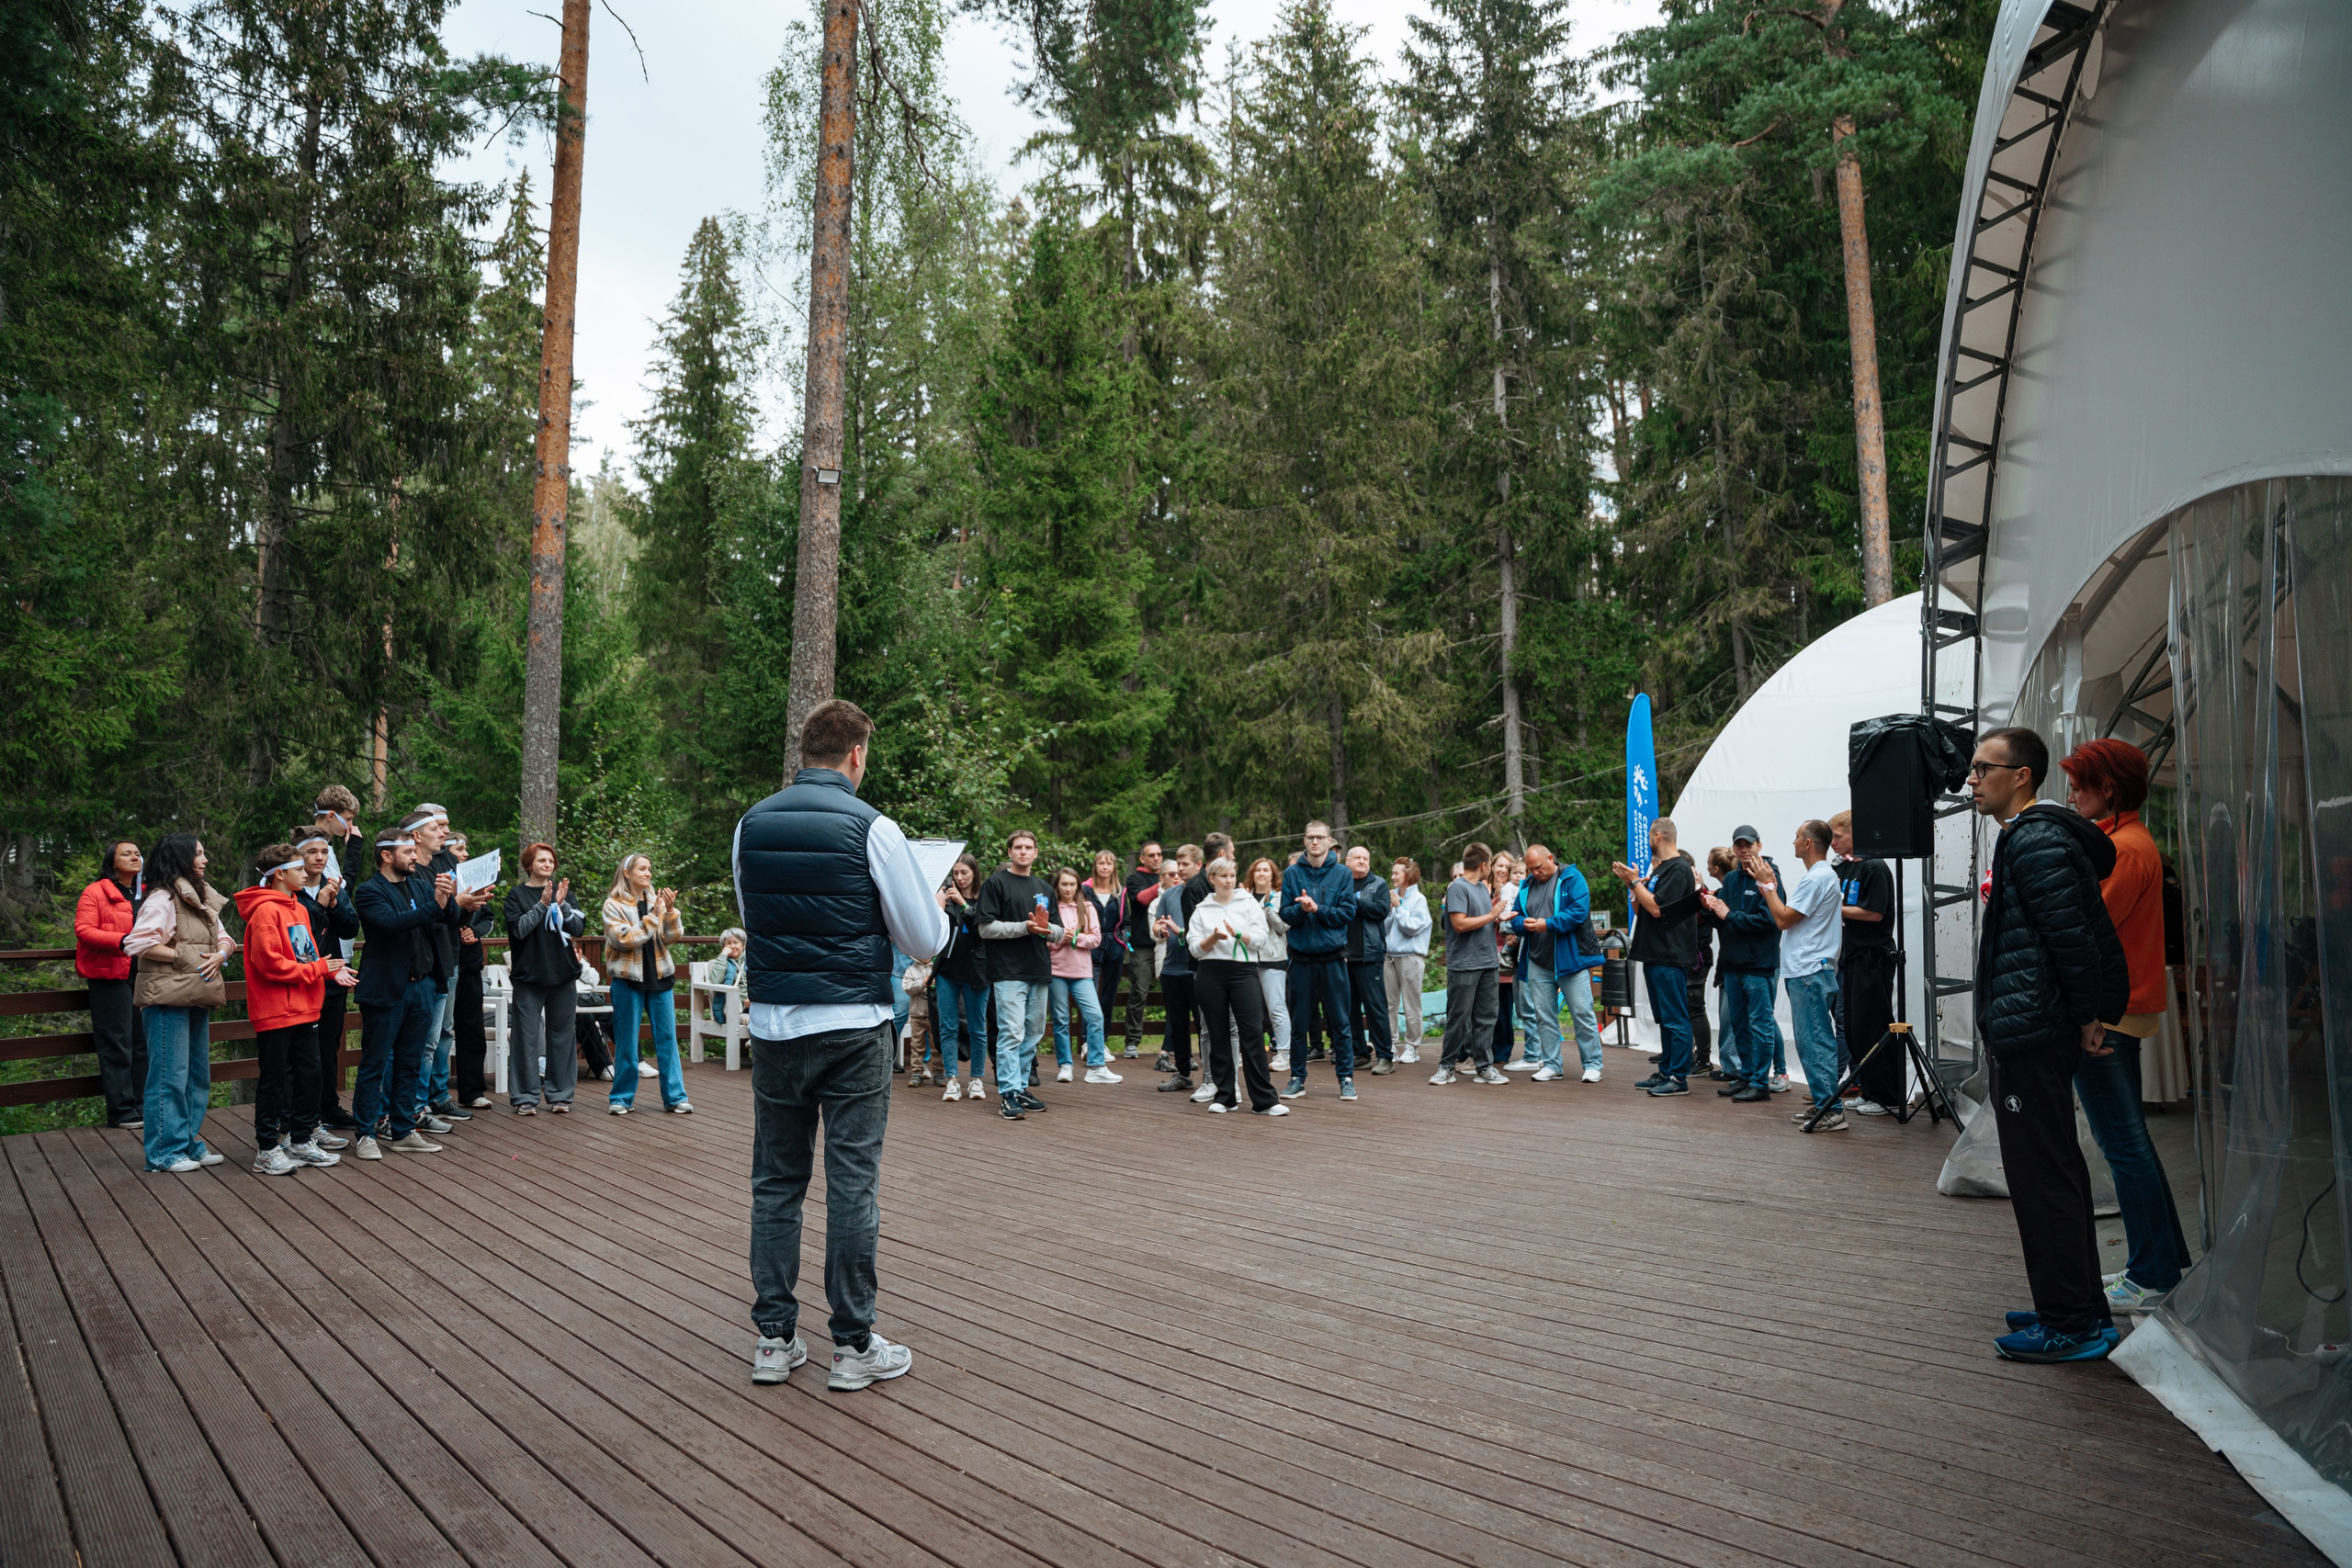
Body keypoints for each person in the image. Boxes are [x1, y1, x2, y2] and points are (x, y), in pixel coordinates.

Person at [733, 697, 947, 1391]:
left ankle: (773, 1338)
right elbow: (923, 939)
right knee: (853, 1184)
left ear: (805, 750)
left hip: (773, 1025)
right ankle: (853, 1345)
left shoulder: (751, 824)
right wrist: (933, 905)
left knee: (776, 1181)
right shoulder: (874, 827)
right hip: (853, 1024)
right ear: (857, 755)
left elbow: (753, 915)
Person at [1970, 725, 2130, 1363]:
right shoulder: (2031, 839)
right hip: (2034, 1027)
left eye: (1985, 768)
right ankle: (2077, 1305)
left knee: (2043, 1178)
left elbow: (2072, 939)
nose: (1973, 780)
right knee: (2052, 1172)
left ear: (2022, 776)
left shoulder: (2035, 841)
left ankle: (2071, 1322)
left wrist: (2090, 1014)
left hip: (2034, 1032)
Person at [2061, 738, 2192, 1316]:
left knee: (2125, 1145)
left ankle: (2151, 1274)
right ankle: (2160, 1266)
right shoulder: (2126, 842)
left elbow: (2084, 927)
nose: (2070, 794)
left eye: (2078, 783)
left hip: (2107, 1015)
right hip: (2116, 1011)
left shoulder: (2126, 849)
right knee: (2130, 1143)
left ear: (2107, 788)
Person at [234, 842, 355, 1173]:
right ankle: (267, 1148)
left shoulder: (299, 909)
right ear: (280, 875)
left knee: (310, 1075)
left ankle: (301, 1140)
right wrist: (318, 970)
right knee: (274, 1080)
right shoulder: (264, 912)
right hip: (275, 1009)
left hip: (306, 1007)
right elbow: (268, 963)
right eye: (299, 869)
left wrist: (332, 969)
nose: (306, 874)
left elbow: (308, 954)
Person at [124, 834, 236, 1172]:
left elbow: (226, 938)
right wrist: (188, 958)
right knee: (169, 1076)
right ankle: (164, 1153)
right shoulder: (162, 898)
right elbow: (138, 943)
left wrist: (221, 954)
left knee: (197, 1076)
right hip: (166, 998)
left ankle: (187, 1143)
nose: (204, 860)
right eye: (198, 854)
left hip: (196, 994)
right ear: (181, 858)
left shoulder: (200, 897)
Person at [351, 826, 453, 1157]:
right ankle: (366, 1133)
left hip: (422, 986)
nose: (415, 857)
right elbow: (394, 923)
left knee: (410, 1063)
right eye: (408, 852)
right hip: (385, 990)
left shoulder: (421, 886)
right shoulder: (369, 892)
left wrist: (453, 899)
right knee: (374, 1064)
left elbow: (446, 918)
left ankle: (404, 1129)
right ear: (386, 855)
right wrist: (435, 905)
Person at [1755, 820, 1845, 1130]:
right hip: (1810, 970)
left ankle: (1831, 1110)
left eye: (1796, 837)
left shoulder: (1816, 878)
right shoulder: (1822, 876)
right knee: (1814, 1040)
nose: (1792, 842)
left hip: (1809, 970)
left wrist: (1768, 887)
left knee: (1815, 1040)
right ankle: (1824, 1104)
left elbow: (1782, 919)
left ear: (1808, 843)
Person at [1187, 858, 1285, 1115]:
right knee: (1217, 1034)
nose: (1229, 881)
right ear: (1212, 879)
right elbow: (1195, 949)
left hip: (1243, 972)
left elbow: (1262, 940)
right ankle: (1225, 1097)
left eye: (1232, 875)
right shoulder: (1202, 909)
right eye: (1223, 876)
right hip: (1210, 973)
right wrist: (1214, 937)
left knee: (1252, 1033)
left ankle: (1265, 1100)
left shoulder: (1248, 903)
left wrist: (1237, 934)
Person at [1611, 819, 1702, 1096]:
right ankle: (1666, 1069)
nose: (1648, 839)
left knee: (1676, 1017)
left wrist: (1635, 882)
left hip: (1670, 955)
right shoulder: (1661, 870)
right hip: (1654, 953)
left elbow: (1658, 910)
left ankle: (1678, 1078)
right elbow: (1643, 909)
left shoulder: (1679, 869)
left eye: (1649, 835)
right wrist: (1635, 886)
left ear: (1657, 836)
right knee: (1665, 1018)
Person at [1505, 843, 1602, 1083]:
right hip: (1537, 960)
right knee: (1544, 1016)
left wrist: (1545, 924)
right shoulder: (1526, 886)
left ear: (1551, 858)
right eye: (1530, 869)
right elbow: (1515, 917)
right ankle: (1551, 1064)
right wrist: (1523, 924)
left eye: (1538, 867)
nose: (1535, 873)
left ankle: (1592, 1064)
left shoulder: (1572, 878)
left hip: (1571, 960)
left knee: (1582, 1013)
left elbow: (1578, 913)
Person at [978, 829, 1058, 1119]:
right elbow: (985, 928)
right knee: (1011, 1032)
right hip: (1007, 971)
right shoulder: (996, 884)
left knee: (1033, 1033)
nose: (1023, 852)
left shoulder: (1045, 888)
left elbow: (1058, 931)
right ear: (1009, 852)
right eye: (1018, 847)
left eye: (1029, 847)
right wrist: (1025, 927)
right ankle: (1008, 1093)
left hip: (1039, 970)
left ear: (1036, 852)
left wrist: (1046, 929)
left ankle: (1022, 1086)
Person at [603, 852, 691, 1115]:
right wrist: (653, 916)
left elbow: (672, 936)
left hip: (660, 979)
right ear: (627, 873)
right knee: (627, 1043)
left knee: (667, 1040)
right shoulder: (613, 905)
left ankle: (675, 1098)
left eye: (650, 869)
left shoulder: (658, 901)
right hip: (627, 981)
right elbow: (624, 939)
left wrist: (671, 911)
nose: (648, 873)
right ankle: (621, 1098)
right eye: (642, 868)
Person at [503, 843, 584, 1115]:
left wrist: (561, 906)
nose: (548, 864)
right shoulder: (516, 895)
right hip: (529, 977)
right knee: (526, 1038)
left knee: (562, 1036)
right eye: (541, 860)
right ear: (529, 864)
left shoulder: (565, 894)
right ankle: (525, 1096)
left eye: (551, 860)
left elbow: (578, 928)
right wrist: (542, 905)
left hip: (562, 976)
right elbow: (520, 930)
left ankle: (560, 1094)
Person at [1279, 821, 1359, 1101]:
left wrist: (1318, 909)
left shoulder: (1342, 874)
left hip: (1333, 958)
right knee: (1299, 1022)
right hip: (1301, 959)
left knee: (1340, 1022)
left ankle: (1346, 1079)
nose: (1315, 842)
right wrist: (1301, 910)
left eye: (1320, 838)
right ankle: (1297, 1078)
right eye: (1310, 838)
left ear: (1328, 840)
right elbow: (1285, 914)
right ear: (1304, 840)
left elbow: (1348, 913)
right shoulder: (1291, 873)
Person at [1827, 809, 1899, 1115]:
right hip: (1850, 957)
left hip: (1873, 957)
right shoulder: (1843, 869)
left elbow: (1875, 913)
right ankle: (1869, 1089)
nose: (1832, 843)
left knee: (1872, 1024)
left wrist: (1834, 908)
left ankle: (1887, 1095)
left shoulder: (1875, 867)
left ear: (1855, 834)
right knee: (1853, 1027)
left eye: (1837, 836)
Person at [292, 827, 361, 1139]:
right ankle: (305, 1117)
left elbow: (349, 929)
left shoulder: (336, 886)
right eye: (312, 852)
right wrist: (320, 905)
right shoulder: (291, 891)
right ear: (298, 858)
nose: (319, 858)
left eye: (324, 852)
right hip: (304, 979)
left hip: (334, 978)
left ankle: (328, 1105)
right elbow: (300, 937)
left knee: (330, 1046)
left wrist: (334, 905)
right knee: (306, 1052)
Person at [75, 838, 148, 1129]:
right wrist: (122, 941)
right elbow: (84, 930)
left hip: (142, 975)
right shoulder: (96, 892)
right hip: (109, 976)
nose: (135, 857)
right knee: (116, 1043)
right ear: (112, 861)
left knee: (142, 1042)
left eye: (138, 853)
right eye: (127, 853)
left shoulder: (147, 893)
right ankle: (121, 1110)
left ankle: (142, 1106)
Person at [309, 786, 368, 1133]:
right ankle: (313, 1111)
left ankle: (328, 1105)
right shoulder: (317, 851)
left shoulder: (330, 849)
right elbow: (346, 887)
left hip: (340, 956)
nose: (350, 828)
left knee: (332, 1039)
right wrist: (355, 849)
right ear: (331, 816)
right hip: (320, 957)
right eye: (347, 821)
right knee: (316, 1042)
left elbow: (344, 900)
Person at [1434, 842, 1508, 1085]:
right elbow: (1460, 924)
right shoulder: (1458, 887)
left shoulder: (1481, 888)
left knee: (1487, 1017)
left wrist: (1499, 919)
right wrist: (1492, 914)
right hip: (1464, 964)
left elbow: (1482, 921)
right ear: (1484, 865)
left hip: (1488, 962)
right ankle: (1446, 1067)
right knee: (1458, 1017)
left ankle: (1484, 1067)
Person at [1047, 865, 1116, 1084]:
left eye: (1072, 884)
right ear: (1057, 886)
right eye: (1064, 884)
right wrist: (1061, 939)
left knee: (1095, 1015)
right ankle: (1065, 1065)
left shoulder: (1087, 907)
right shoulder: (1051, 909)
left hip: (1082, 972)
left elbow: (1096, 939)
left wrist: (1076, 939)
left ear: (1078, 886)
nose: (1068, 888)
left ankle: (1096, 1066)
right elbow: (1044, 942)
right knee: (1061, 1019)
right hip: (1056, 971)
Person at [446, 830, 496, 1111]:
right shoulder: (439, 880)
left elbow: (488, 917)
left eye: (466, 850)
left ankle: (472, 1090)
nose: (465, 854)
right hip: (444, 963)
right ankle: (435, 1095)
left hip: (470, 963)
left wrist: (474, 932)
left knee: (472, 1027)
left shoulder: (478, 881)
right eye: (459, 849)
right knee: (441, 1032)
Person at [933, 854, 990, 1100]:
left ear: (974, 874)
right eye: (955, 873)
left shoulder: (984, 899)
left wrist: (964, 905)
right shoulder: (946, 899)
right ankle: (952, 1080)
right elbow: (934, 928)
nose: (959, 877)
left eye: (964, 873)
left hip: (976, 973)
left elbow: (984, 930)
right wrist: (940, 906)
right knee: (948, 1027)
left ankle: (976, 1079)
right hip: (947, 971)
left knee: (978, 1028)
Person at [1151, 846, 1203, 1093]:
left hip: (1197, 970)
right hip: (1172, 969)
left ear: (1199, 865)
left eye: (1185, 864)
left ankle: (1212, 1077)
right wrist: (1160, 930)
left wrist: (1181, 931)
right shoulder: (1169, 894)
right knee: (1179, 1025)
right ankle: (1183, 1074)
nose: (1179, 869)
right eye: (1178, 864)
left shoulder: (1206, 893)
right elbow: (1156, 924)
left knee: (1205, 1025)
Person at [1343, 845, 1394, 1074]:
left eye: (1366, 858)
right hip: (1344, 956)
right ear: (1348, 861)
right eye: (1357, 858)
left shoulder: (1379, 884)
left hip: (1369, 955)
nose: (1362, 861)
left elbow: (1381, 910)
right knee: (1350, 1009)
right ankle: (1360, 1054)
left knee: (1376, 1008)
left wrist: (1353, 902)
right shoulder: (1341, 882)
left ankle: (1385, 1057)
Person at [1242, 859, 1295, 1074]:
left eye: (1266, 870)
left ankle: (1285, 1053)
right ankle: (1246, 1053)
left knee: (1276, 1007)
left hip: (1273, 957)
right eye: (1257, 869)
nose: (1261, 873)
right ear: (1252, 874)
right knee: (1246, 1009)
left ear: (1273, 876)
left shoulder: (1280, 896)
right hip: (1246, 958)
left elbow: (1283, 926)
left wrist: (1267, 905)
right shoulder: (1243, 897)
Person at [1384, 859, 1430, 1064]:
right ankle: (1391, 1045)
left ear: (1408, 875)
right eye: (1393, 873)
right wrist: (1390, 910)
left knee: (1412, 1004)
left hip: (1410, 958)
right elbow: (1384, 928)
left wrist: (1399, 908)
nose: (1393, 877)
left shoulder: (1419, 900)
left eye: (1396, 873)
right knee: (1388, 1004)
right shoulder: (1392, 897)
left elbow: (1412, 927)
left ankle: (1412, 1046)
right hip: (1389, 957)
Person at [1122, 841, 1165, 1064]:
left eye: (1159, 854)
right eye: (1151, 855)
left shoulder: (1169, 878)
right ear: (1142, 858)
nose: (1156, 858)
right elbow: (1142, 899)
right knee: (1139, 992)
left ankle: (1172, 1046)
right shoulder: (1135, 879)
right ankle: (1131, 1041)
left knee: (1176, 994)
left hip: (1168, 943)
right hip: (1142, 946)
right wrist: (1166, 881)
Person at [1085, 851, 1128, 1038]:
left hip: (1114, 944)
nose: (1105, 867)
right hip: (1090, 945)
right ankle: (1088, 1040)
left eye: (1109, 863)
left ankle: (1102, 1040)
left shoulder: (1120, 891)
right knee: (1089, 996)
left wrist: (1123, 942)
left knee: (1108, 996)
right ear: (1095, 866)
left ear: (1114, 867)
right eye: (1101, 863)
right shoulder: (1085, 890)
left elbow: (1126, 921)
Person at [1488, 852, 1522, 1067]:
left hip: (1509, 955)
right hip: (1488, 954)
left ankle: (1502, 1052)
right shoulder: (1485, 888)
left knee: (1504, 1008)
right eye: (1499, 865)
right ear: (1491, 866)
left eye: (1506, 866)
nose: (1502, 869)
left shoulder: (1517, 888)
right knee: (1488, 1009)